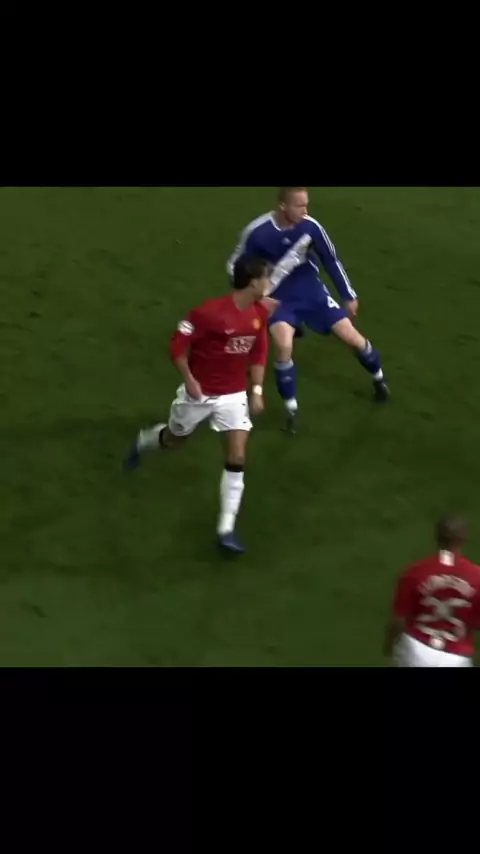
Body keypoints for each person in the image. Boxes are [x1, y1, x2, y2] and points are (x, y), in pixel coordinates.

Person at [124, 253, 273, 554]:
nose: (269, 282)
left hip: (234, 395)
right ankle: (144, 441)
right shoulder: (209, 313)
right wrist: (190, 379)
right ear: (253, 282)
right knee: (174, 439)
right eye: (266, 277)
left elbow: (259, 353)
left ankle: (226, 530)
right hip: (199, 395)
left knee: (237, 456)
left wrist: (256, 390)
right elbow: (177, 346)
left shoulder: (259, 314)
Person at [227, 187, 389, 432]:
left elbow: (330, 259)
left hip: (311, 292)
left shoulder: (311, 227)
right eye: (300, 206)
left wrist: (348, 294)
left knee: (352, 338)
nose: (306, 210)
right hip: (278, 298)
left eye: (306, 204)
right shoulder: (258, 232)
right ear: (283, 206)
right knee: (283, 345)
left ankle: (378, 377)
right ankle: (291, 408)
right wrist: (256, 298)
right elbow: (234, 266)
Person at [384, 515, 480, 667]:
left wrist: (389, 648)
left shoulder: (415, 571)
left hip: (416, 650)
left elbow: (399, 620)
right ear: (464, 538)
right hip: (455, 658)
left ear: (436, 537)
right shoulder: (477, 576)